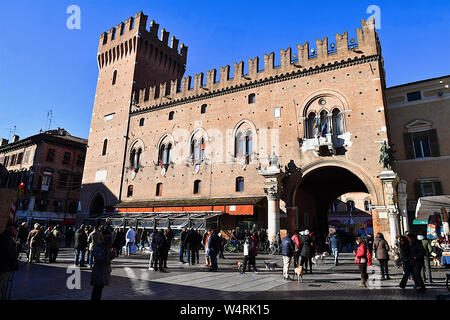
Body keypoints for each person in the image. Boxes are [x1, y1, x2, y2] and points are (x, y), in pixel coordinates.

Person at [90, 235, 115, 300]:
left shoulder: (106, 247)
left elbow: (107, 259)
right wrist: (108, 256)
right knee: (97, 288)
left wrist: (112, 255)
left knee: (99, 288)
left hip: (103, 271)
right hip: (99, 271)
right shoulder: (100, 247)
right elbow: (99, 259)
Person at [0, 222, 19, 299]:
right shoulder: (7, 238)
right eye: (16, 229)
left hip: (5, 266)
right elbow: (8, 252)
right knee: (1, 285)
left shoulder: (6, 236)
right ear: (12, 229)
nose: (16, 231)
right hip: (4, 266)